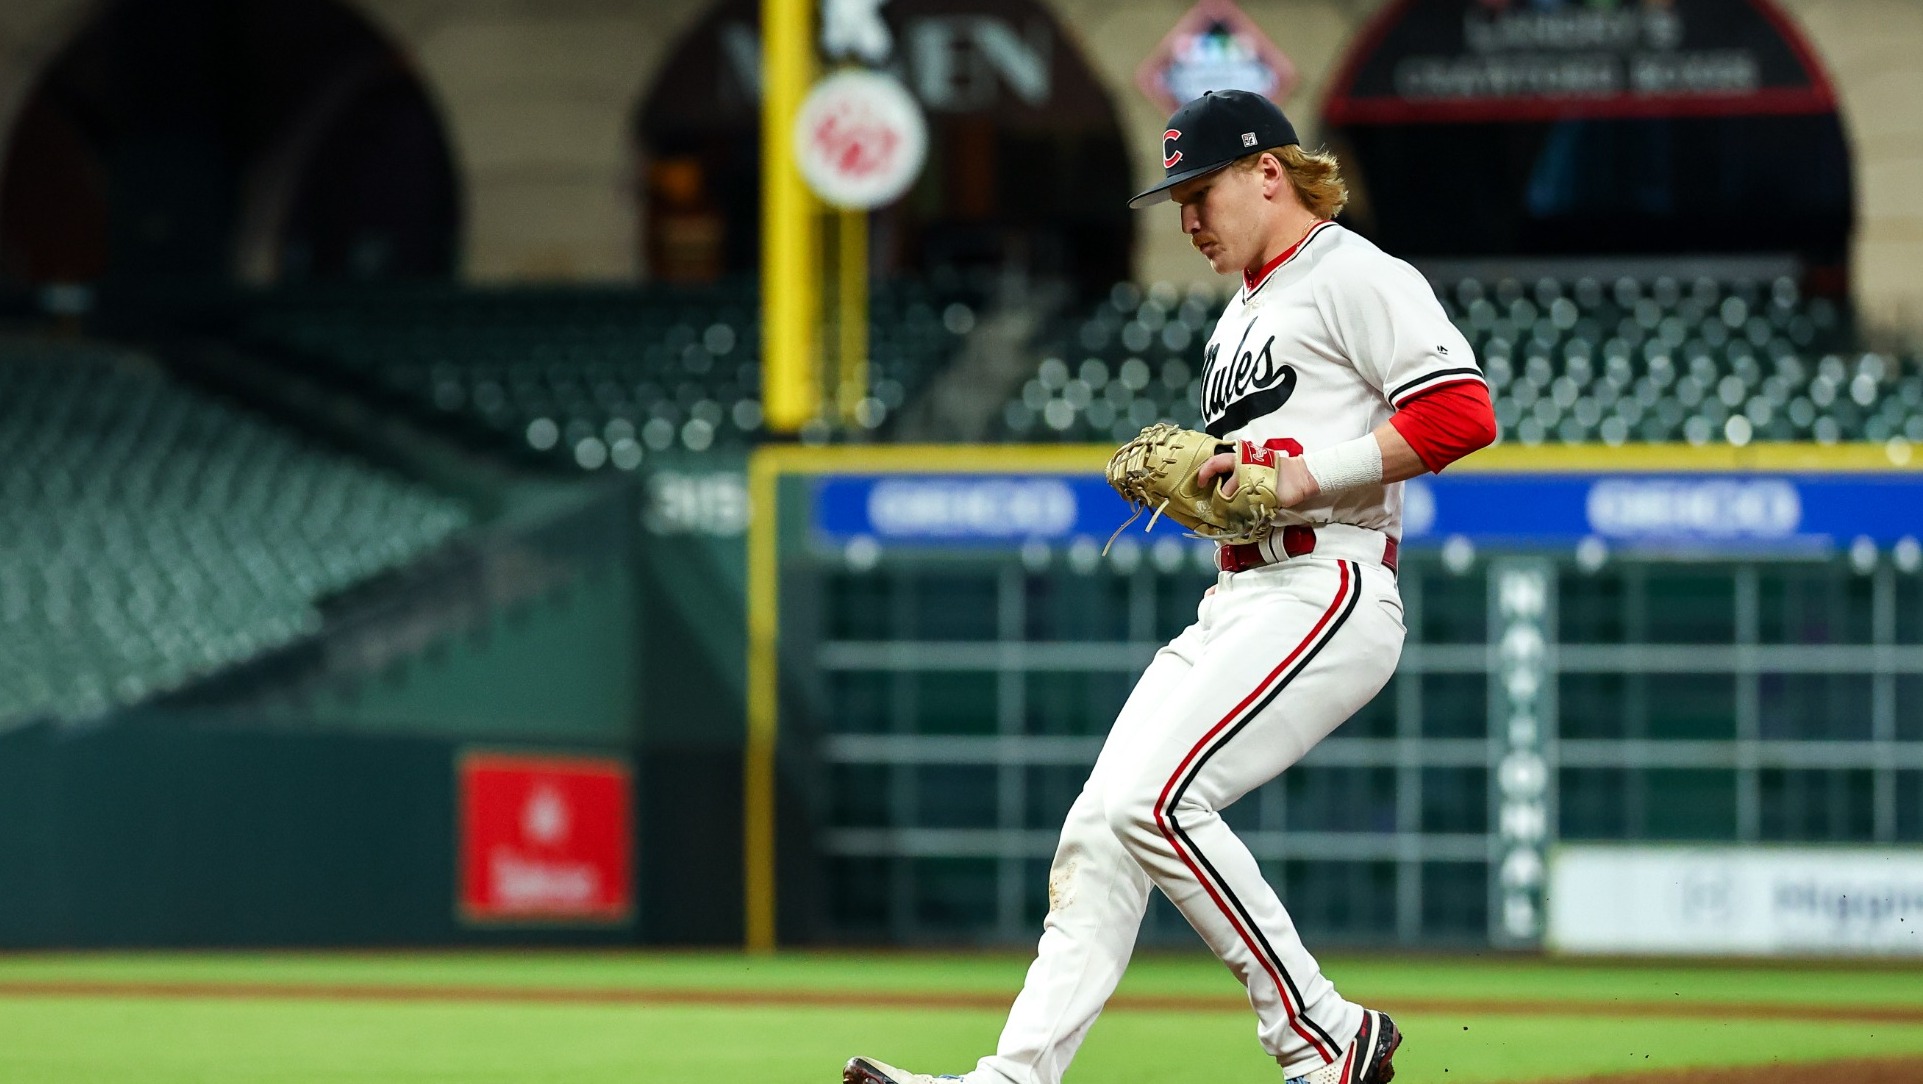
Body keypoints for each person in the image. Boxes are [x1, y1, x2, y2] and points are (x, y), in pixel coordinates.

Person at [846, 89, 1497, 1084]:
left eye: (1201, 193)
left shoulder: (1352, 272)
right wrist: (1224, 480)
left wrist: (1297, 477)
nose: (1188, 220)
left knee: (1157, 801)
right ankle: (1013, 1078)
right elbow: (1265, 464)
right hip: (1241, 594)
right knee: (1103, 825)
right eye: (1178, 200)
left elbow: (1461, 416)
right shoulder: (1239, 314)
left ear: (1268, 173)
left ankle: (1326, 1038)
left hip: (1328, 580)